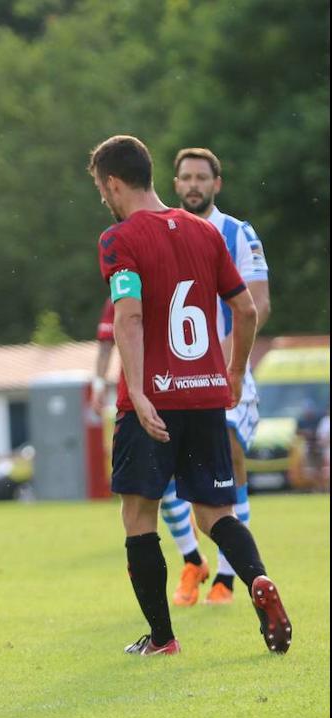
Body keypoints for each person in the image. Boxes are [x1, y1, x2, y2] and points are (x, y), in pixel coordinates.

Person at [87, 134, 290, 656]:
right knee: (215, 513)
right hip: (206, 397)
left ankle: (162, 638)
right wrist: (236, 372)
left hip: (153, 401)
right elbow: (245, 310)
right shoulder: (205, 232)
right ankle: (258, 580)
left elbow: (128, 316)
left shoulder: (119, 238)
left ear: (113, 183)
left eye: (101, 190)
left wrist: (136, 388)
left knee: (139, 516)